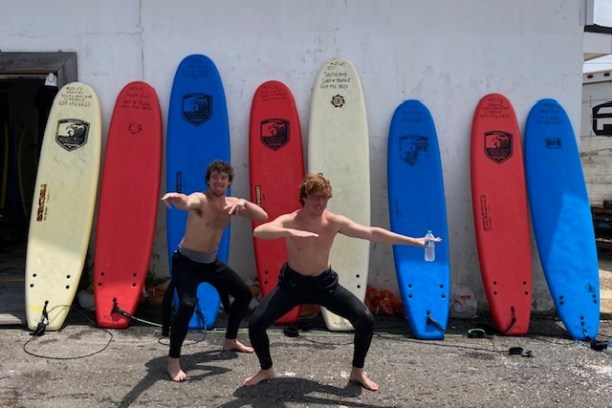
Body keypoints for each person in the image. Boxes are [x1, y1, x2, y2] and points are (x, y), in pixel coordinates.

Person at [243, 173, 442, 391]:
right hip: (293, 285)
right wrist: (289, 231)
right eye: (316, 198)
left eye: (324, 198)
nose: (320, 203)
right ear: (305, 197)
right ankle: (266, 369)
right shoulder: (292, 219)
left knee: (365, 319)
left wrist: (414, 241)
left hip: (324, 285)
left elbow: (372, 233)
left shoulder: (333, 221)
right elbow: (260, 231)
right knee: (256, 324)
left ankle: (357, 372)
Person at [162, 160, 268, 382]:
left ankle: (230, 340)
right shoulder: (201, 200)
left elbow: (263, 216)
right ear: (208, 180)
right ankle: (173, 361)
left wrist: (242, 202)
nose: (219, 181)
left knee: (244, 294)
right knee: (188, 305)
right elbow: (187, 202)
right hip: (187, 261)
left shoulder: (231, 204)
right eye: (215, 177)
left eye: (223, 178)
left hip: (210, 263)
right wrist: (177, 197)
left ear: (229, 182)